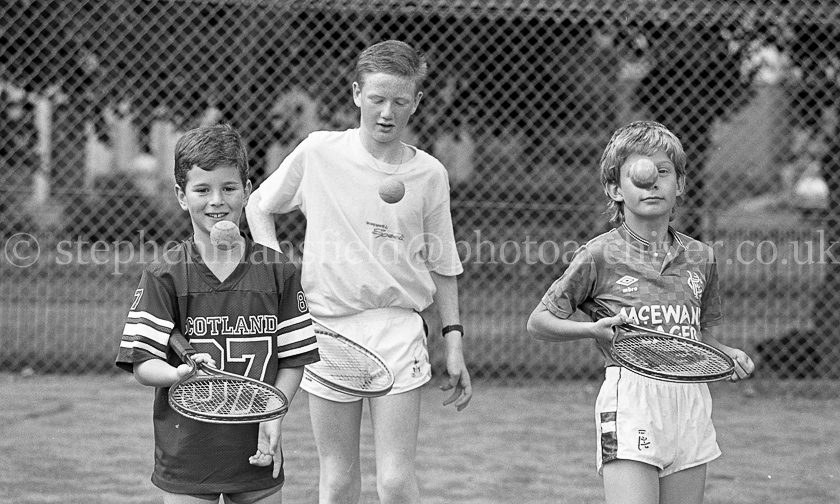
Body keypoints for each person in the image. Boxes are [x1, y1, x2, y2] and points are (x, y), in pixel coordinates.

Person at [245, 40, 472, 504]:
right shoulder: (319, 152)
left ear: (416, 102)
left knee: (394, 481)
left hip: (398, 331)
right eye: (377, 99)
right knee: (339, 478)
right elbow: (257, 205)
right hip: (326, 331)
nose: (387, 112)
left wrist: (453, 343)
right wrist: (276, 271)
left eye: (400, 101)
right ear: (356, 95)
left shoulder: (430, 175)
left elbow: (443, 263)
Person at [526, 120, 755, 504]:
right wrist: (593, 330)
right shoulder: (599, 254)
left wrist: (726, 354)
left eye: (663, 172)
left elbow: (699, 336)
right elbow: (539, 322)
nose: (652, 183)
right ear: (615, 189)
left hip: (690, 400)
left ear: (680, 184)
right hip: (632, 397)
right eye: (638, 175)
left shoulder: (701, 257)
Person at [115, 124, 320, 504]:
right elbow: (143, 363)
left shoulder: (278, 272)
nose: (217, 201)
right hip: (189, 453)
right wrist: (177, 373)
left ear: (247, 189)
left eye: (229, 188)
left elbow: (294, 359)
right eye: (202, 190)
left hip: (257, 449)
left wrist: (275, 412)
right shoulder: (166, 275)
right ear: (181, 195)